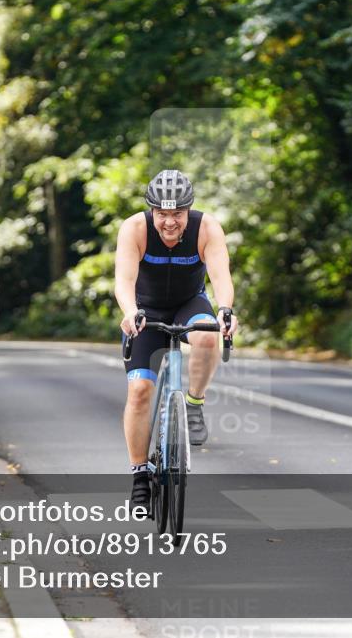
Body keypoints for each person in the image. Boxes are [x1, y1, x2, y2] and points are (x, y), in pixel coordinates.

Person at [114, 169, 238, 512]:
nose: (169, 223)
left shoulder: (207, 229)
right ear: (152, 210)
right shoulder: (134, 229)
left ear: (189, 210)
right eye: (162, 214)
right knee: (139, 391)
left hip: (189, 304)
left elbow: (220, 275)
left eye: (177, 214)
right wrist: (130, 310)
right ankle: (140, 475)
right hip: (146, 309)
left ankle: (194, 405)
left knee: (207, 335)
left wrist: (226, 309)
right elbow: (124, 280)